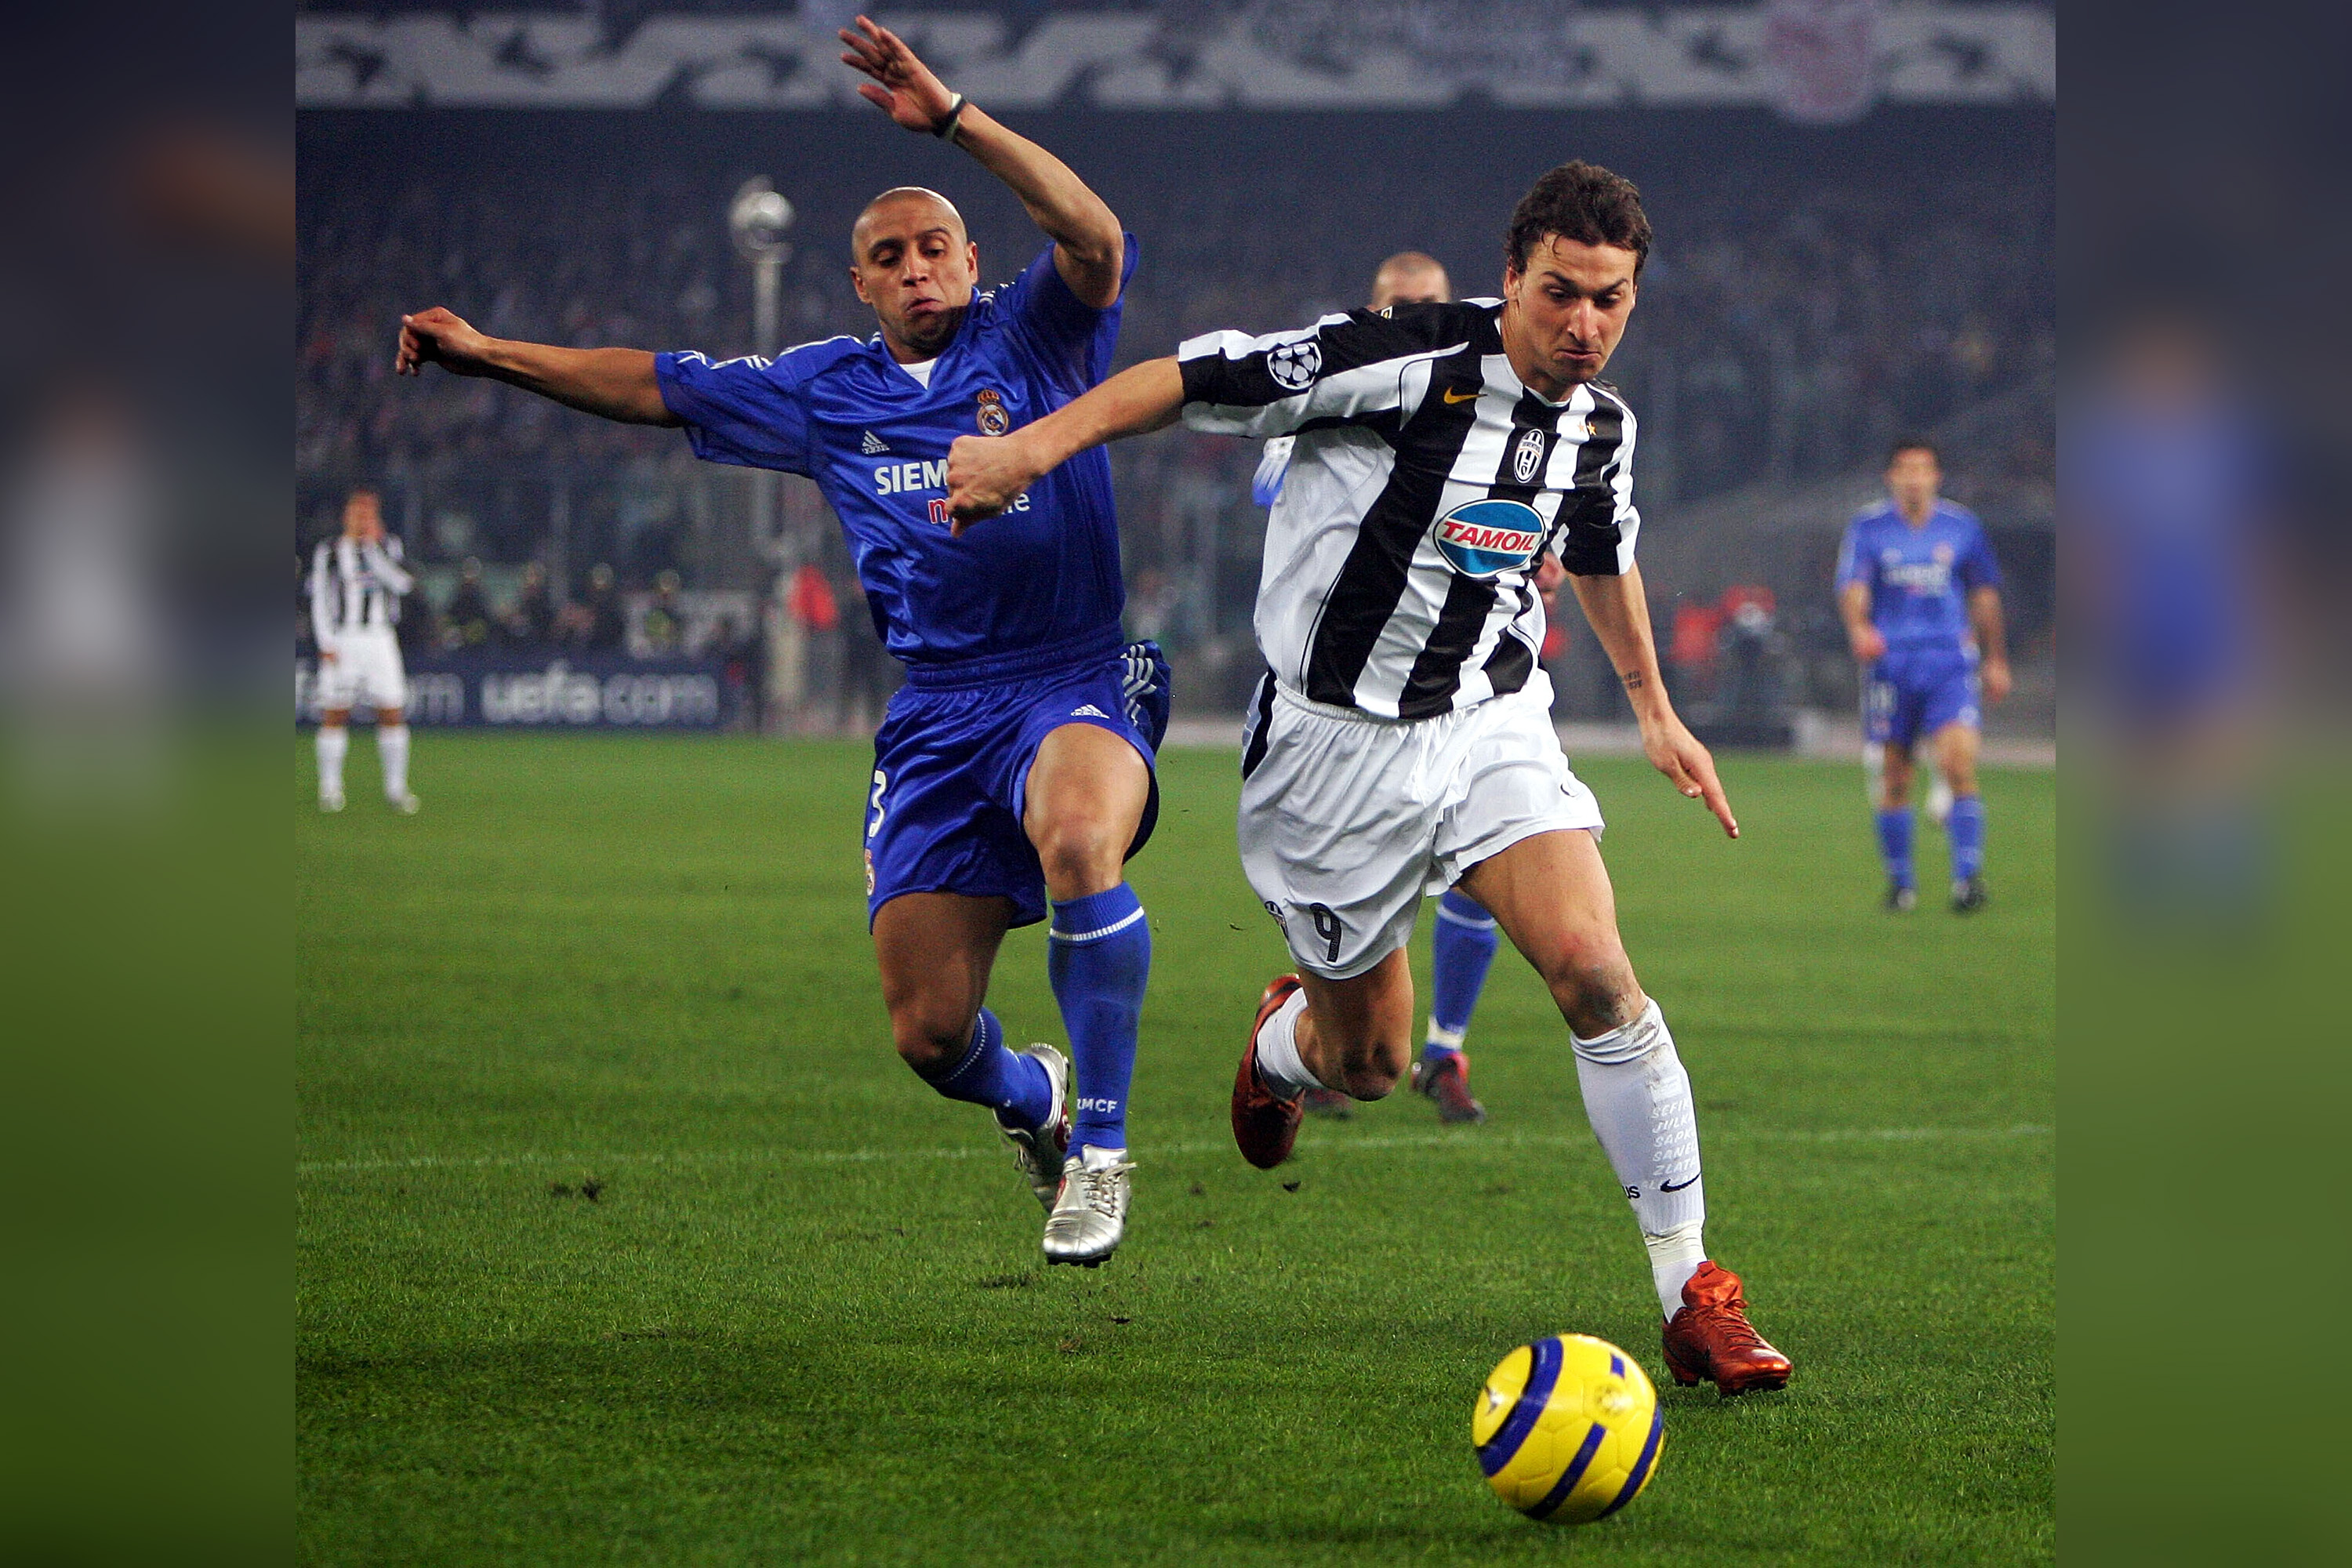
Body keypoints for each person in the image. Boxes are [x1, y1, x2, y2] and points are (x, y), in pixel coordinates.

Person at [949, 161, 1791, 1393]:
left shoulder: (1600, 427)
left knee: (1600, 976)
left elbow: (1604, 550)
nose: (1586, 326)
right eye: (1561, 294)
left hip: (1493, 723)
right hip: (1330, 757)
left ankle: (1692, 1294)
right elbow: (1184, 380)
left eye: (1612, 301)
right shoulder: (1394, 362)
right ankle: (1286, 1047)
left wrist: (1658, 714)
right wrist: (1029, 450)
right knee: (1371, 1066)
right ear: (1511, 278)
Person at [394, 15, 1165, 1267]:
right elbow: (655, 385)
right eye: (888, 257)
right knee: (928, 1032)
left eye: (934, 247)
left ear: (972, 256)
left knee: (1081, 835)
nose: (917, 269)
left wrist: (957, 118)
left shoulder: (1036, 335)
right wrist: (489, 354)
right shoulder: (824, 388)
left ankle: (1104, 1153)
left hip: (1067, 675)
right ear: (858, 283)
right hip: (936, 712)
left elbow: (1096, 237)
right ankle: (1035, 1099)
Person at [1254, 252, 1510, 1125]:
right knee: (1367, 927)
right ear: (1371, 310)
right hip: (1346, 690)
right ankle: (1318, 1029)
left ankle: (1446, 1048)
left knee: (1489, 864)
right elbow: (1272, 481)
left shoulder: (1499, 402)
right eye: (1401, 308)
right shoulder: (1338, 389)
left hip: (1469, 675)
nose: (1419, 320)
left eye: (1435, 307)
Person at [1835, 440, 2011, 913]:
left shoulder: (1962, 527)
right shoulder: (1869, 527)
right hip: (1891, 665)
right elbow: (1853, 587)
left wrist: (1996, 658)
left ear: (1936, 476)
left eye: (1923, 469)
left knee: (1957, 765)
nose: (1914, 478)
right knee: (1895, 776)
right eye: (1905, 469)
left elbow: (1984, 594)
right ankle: (1901, 884)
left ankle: (1967, 879)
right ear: (1892, 477)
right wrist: (1860, 629)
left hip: (1950, 662)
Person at [309, 488, 420, 815]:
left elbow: (402, 584)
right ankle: (330, 789)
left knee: (391, 712)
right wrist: (326, 642)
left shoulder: (388, 546)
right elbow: (319, 599)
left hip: (380, 638)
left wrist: (372, 549)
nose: (362, 518)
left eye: (369, 513)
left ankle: (396, 789)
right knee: (335, 712)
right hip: (344, 638)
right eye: (357, 512)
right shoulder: (328, 551)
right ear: (347, 515)